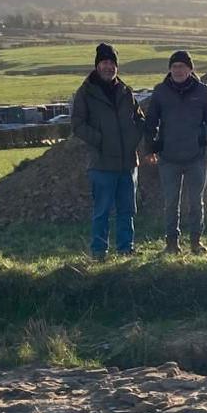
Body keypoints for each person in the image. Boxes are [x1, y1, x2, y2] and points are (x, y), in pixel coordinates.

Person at [71, 43, 146, 259]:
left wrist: (133, 138)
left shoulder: (125, 91)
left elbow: (139, 118)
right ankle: (99, 252)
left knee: (127, 211)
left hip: (127, 163)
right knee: (102, 212)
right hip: (102, 163)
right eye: (104, 63)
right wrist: (101, 141)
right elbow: (77, 125)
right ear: (97, 65)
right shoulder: (85, 93)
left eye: (112, 63)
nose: (108, 67)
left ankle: (126, 249)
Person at [144, 50, 207, 254]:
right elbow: (151, 122)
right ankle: (172, 244)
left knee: (196, 202)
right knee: (171, 203)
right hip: (168, 158)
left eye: (182, 66)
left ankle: (196, 242)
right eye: (174, 67)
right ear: (170, 69)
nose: (178, 70)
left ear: (190, 69)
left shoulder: (204, 92)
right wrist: (150, 150)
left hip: (196, 157)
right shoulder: (160, 91)